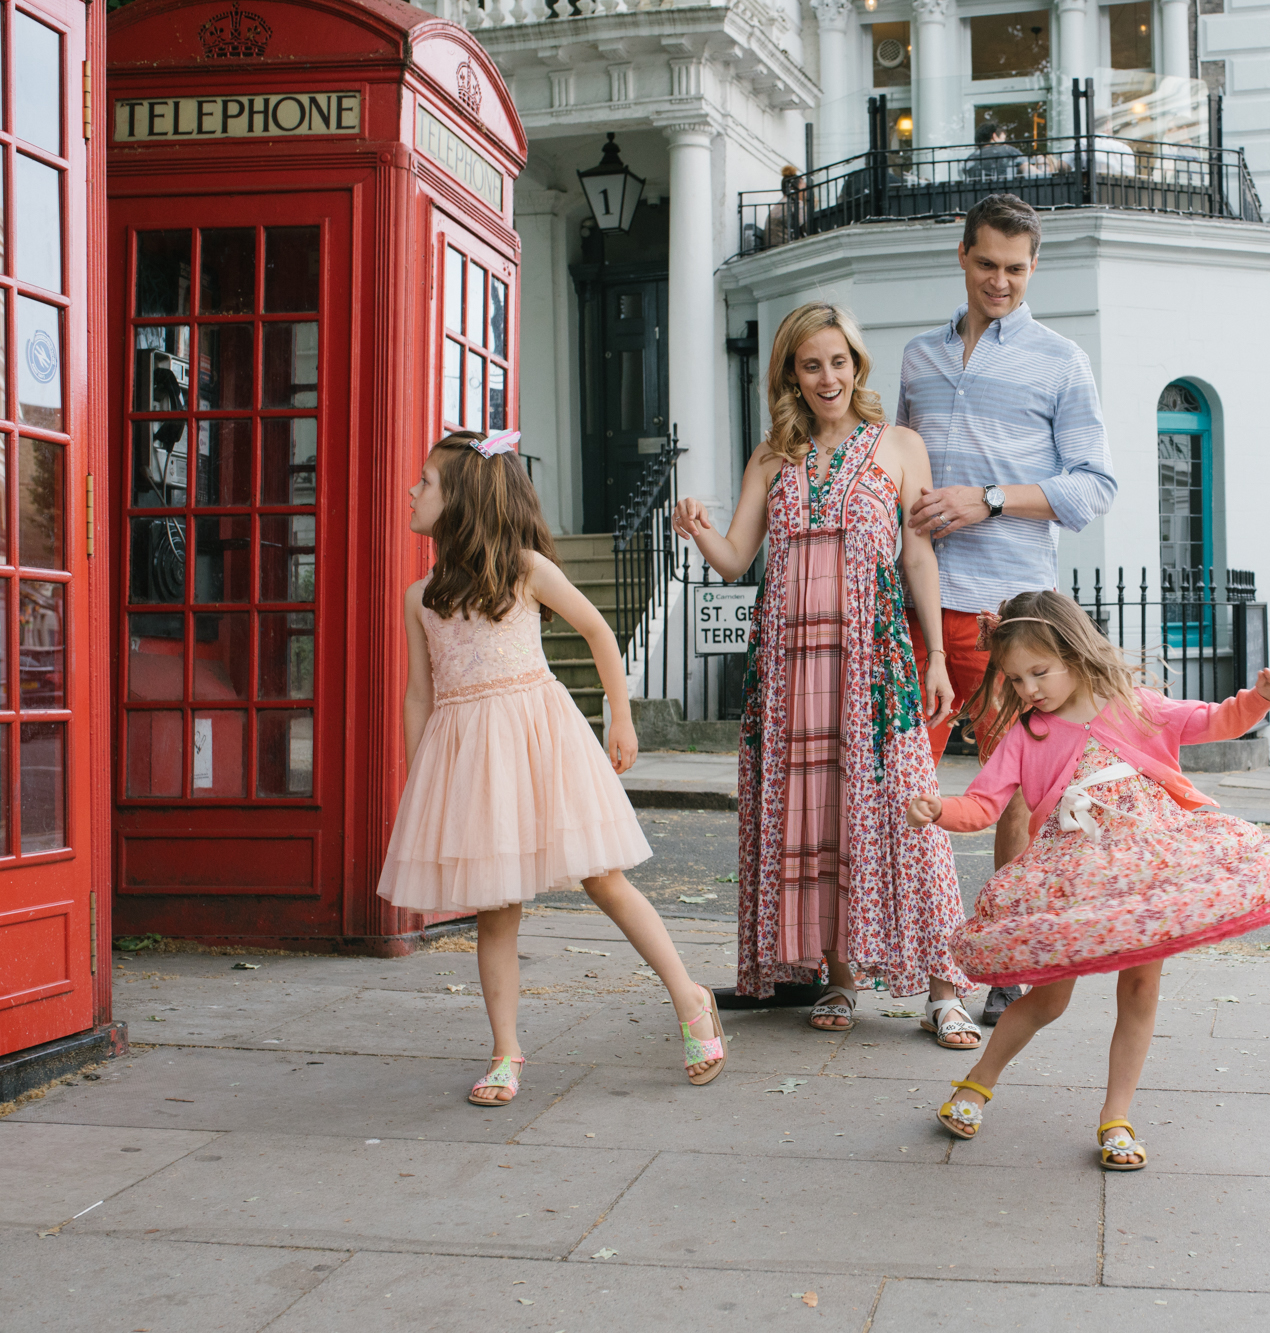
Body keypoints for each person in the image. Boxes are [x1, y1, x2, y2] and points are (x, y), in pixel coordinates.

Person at [907, 592, 1270, 1169]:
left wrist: (1259, 699)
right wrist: (940, 810)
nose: (1028, 689)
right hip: (1073, 882)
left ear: (1075, 652)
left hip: (1146, 874)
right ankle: (977, 1083)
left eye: (1039, 672)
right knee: (1049, 999)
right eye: (1015, 679)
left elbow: (1212, 721)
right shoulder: (1027, 735)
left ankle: (1116, 1116)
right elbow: (982, 805)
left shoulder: (1134, 706)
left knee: (1141, 990)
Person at [380, 429, 726, 1103]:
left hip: (542, 742)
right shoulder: (419, 596)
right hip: (474, 764)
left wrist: (620, 717)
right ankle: (505, 1050)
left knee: (605, 880)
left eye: (425, 481)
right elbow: (419, 695)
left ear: (463, 499)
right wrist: (422, 779)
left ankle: (690, 997)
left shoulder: (525, 569)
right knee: (495, 908)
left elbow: (598, 629)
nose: (411, 490)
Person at [670, 303, 981, 1048]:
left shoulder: (899, 445)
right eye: (811, 365)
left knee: (908, 814)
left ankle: (944, 992)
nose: (828, 377)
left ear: (856, 365)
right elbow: (736, 560)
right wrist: (699, 529)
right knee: (816, 816)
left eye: (838, 361)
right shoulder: (771, 457)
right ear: (792, 375)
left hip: (874, 662)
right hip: (787, 671)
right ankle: (838, 976)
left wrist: (937, 655)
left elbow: (917, 555)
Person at [899, 192, 1117, 1024]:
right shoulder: (918, 357)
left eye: (1017, 269)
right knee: (908, 787)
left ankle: (1007, 963)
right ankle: (931, 962)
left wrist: (987, 497)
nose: (1001, 281)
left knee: (1017, 797)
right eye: (987, 264)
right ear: (962, 255)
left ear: (1035, 267)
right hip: (923, 609)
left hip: (1010, 618)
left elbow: (1092, 487)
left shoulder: (1061, 361)